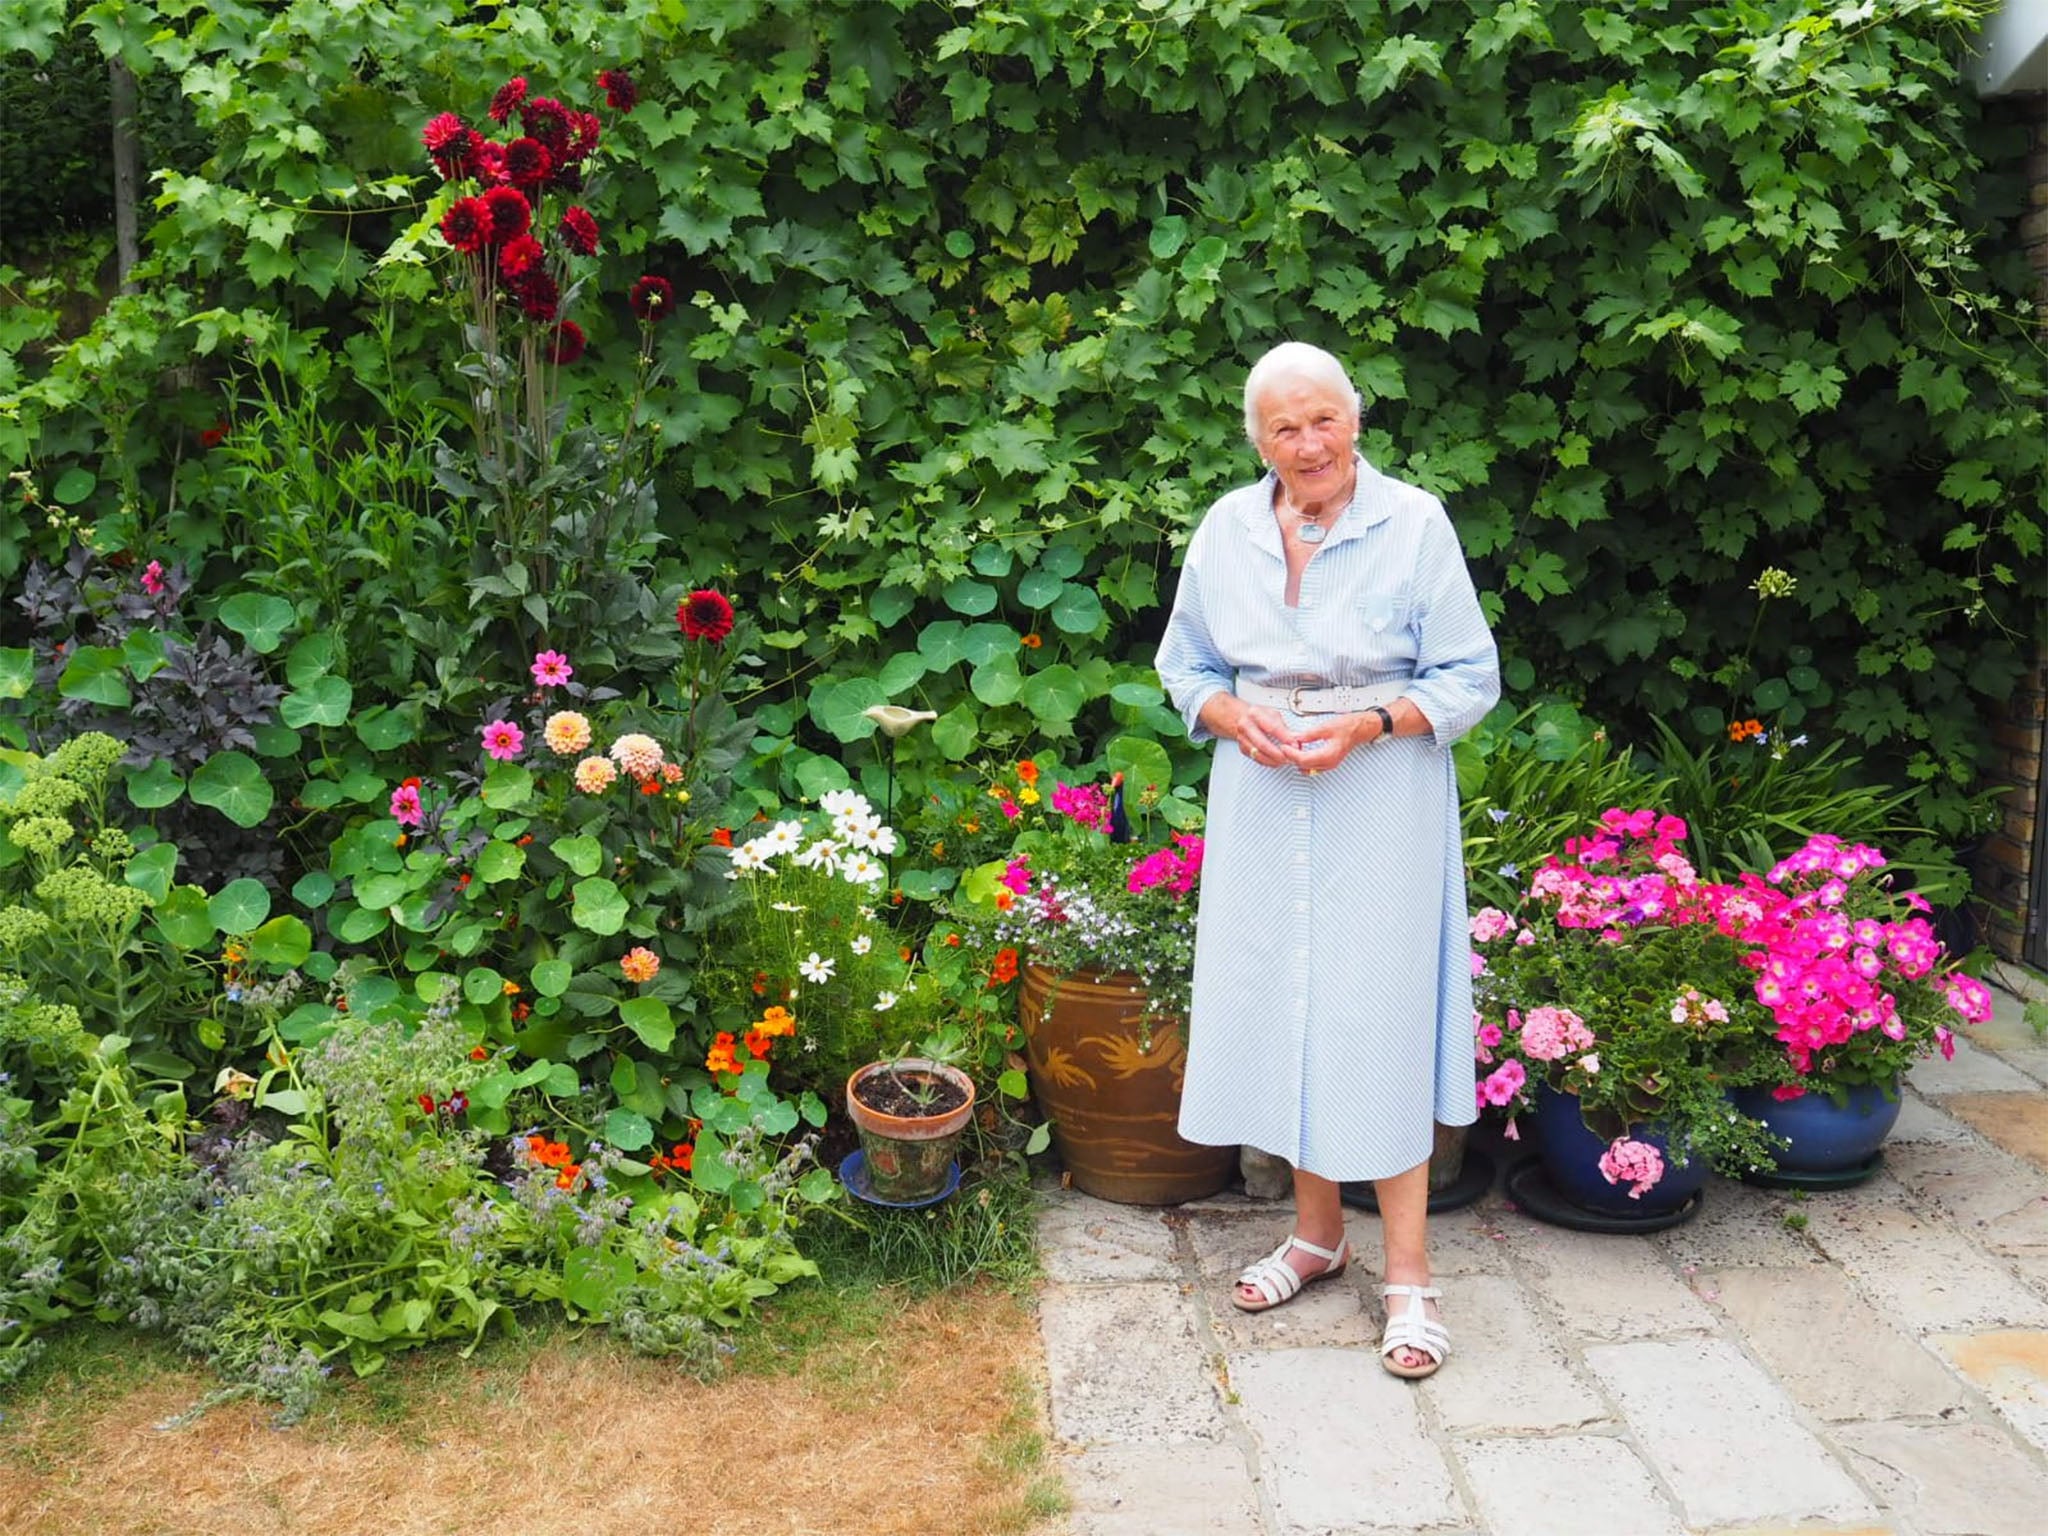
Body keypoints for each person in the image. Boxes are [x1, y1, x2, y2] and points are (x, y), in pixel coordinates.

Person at [1154, 341, 1500, 1379]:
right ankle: (1314, 1237)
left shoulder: (1414, 524)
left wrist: (1372, 723)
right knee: (1283, 1002)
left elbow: (1467, 675)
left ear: (1355, 419)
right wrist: (1225, 714)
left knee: (1372, 1016)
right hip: (1259, 790)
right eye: (1282, 427)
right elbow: (1185, 663)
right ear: (1256, 439)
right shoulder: (1225, 528)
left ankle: (1407, 1277)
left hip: (1379, 791)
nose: (1305, 444)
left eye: (1322, 420)